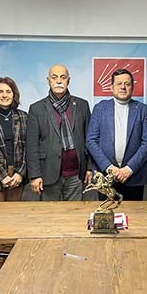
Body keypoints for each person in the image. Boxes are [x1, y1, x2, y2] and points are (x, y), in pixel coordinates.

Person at [26, 64, 92, 201]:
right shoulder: (36, 109)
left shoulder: (82, 105)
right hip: (48, 174)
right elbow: (31, 146)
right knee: (50, 214)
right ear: (48, 80)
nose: (59, 81)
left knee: (74, 212)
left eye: (63, 77)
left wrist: (90, 168)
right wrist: (34, 175)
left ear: (69, 80)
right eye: (54, 77)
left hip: (76, 174)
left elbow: (89, 139)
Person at [86, 68, 147, 201]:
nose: (123, 87)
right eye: (119, 84)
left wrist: (129, 169)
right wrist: (109, 168)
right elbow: (91, 141)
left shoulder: (143, 110)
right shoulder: (100, 108)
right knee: (107, 212)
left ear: (132, 87)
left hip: (134, 176)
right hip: (106, 176)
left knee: (134, 213)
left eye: (127, 84)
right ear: (111, 87)